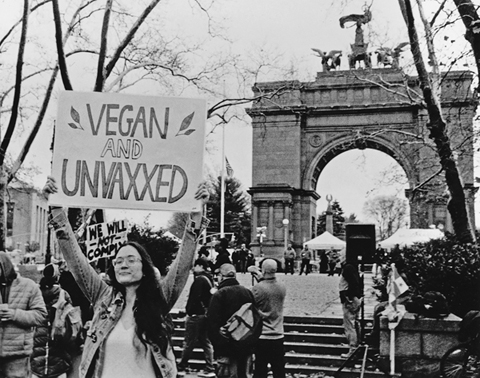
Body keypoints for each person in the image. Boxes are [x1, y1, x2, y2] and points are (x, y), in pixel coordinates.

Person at [44, 176, 209, 378]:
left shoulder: (159, 299)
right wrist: (56, 208)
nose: (123, 264)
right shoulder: (103, 297)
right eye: (118, 260)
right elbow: (74, 257)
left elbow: (182, 264)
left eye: (131, 259)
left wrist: (196, 212)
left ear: (145, 268)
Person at [0, 251, 47, 378]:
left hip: (17, 354)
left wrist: (14, 315)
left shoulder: (29, 286)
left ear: (4, 266)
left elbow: (41, 315)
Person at [207, 264, 255, 378]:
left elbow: (212, 324)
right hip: (245, 345)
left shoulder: (219, 294)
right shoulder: (247, 292)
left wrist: (218, 346)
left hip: (226, 347)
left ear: (221, 276)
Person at [31, 264, 76, 378]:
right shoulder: (63, 294)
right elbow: (73, 322)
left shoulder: (34, 293)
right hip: (59, 358)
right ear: (57, 277)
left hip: (36, 360)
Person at [177, 258, 215, 378]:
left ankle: (182, 367)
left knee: (189, 342)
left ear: (200, 266)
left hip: (195, 315)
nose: (193, 268)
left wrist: (189, 311)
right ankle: (210, 367)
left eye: (195, 266)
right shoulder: (209, 279)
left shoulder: (199, 280)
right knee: (205, 342)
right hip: (205, 314)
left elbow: (194, 298)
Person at [250, 259, 286, 378]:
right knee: (279, 370)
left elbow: (253, 300)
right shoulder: (282, 286)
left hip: (263, 334)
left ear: (263, 270)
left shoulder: (258, 288)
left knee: (260, 369)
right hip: (278, 333)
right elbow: (270, 286)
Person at [339, 256, 363, 358]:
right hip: (354, 298)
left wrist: (349, 296)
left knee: (349, 324)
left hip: (350, 299)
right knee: (354, 322)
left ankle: (353, 348)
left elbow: (353, 284)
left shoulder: (348, 267)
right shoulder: (353, 267)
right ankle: (356, 345)